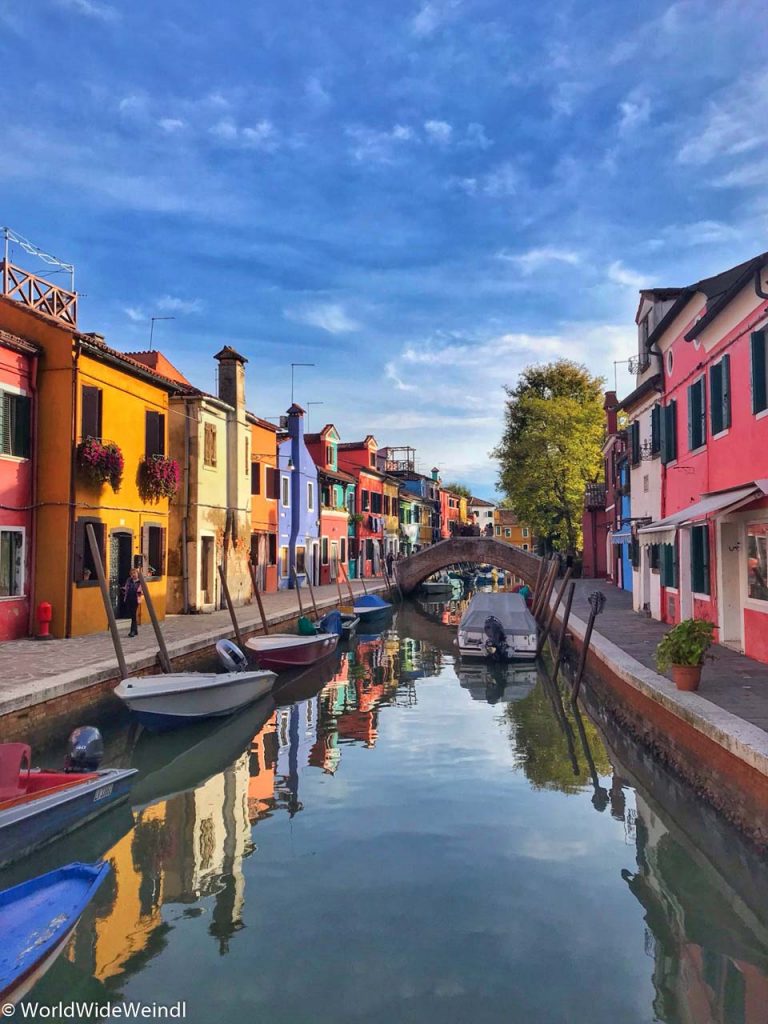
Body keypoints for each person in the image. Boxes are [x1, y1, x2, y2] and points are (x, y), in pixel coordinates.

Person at [123, 567, 142, 637]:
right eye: (131, 574)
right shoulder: (129, 580)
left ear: (137, 574)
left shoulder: (140, 581)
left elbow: (141, 590)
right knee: (132, 615)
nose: (133, 575)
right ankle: (135, 630)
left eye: (134, 573)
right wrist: (124, 589)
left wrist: (140, 592)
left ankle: (132, 631)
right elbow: (126, 587)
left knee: (133, 615)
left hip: (135, 599)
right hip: (128, 599)